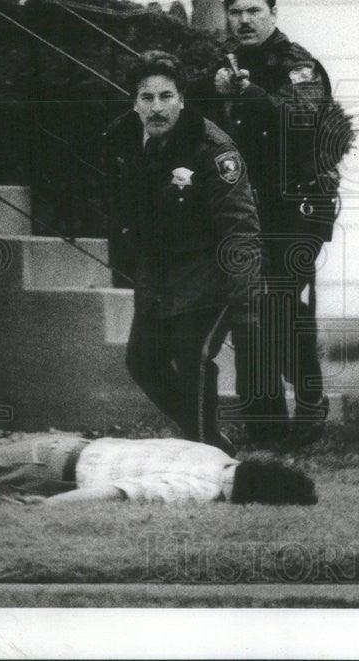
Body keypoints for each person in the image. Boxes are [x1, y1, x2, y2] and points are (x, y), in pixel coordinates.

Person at [194, 0, 353, 448]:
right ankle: (266, 427)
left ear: (273, 14)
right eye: (237, 12)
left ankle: (307, 401)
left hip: (298, 207)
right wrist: (210, 87)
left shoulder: (296, 63)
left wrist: (248, 94)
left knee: (276, 301)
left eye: (254, 11)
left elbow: (302, 119)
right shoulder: (227, 66)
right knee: (254, 308)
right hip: (245, 209)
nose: (244, 21)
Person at [106, 51, 265, 456]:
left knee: (192, 358)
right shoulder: (124, 138)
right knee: (142, 361)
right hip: (160, 276)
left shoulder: (212, 148)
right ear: (134, 101)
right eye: (146, 98)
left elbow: (240, 227)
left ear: (182, 99)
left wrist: (245, 303)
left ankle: (200, 455)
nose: (156, 108)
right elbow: (121, 201)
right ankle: (211, 442)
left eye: (165, 96)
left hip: (211, 276)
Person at [0, 434, 317, 505]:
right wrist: (48, 507)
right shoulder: (200, 487)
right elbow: (114, 492)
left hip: (60, 445)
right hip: (49, 469)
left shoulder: (211, 453)